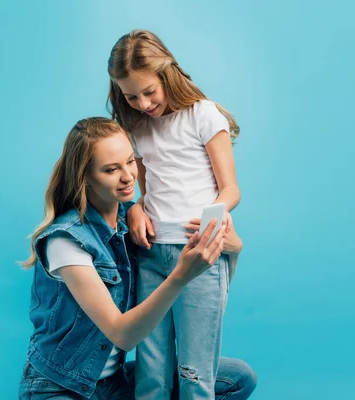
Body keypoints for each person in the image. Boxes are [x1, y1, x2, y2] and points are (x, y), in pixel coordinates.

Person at [18, 117, 255, 399]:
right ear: (85, 177)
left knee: (236, 378)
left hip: (113, 384)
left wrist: (234, 249)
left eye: (131, 161)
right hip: (62, 387)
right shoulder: (66, 240)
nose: (128, 176)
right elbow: (123, 335)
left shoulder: (134, 223)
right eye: (111, 169)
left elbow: (205, 295)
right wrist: (180, 275)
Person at [107, 29, 243, 399]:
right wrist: (134, 207)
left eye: (149, 91)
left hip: (197, 252)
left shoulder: (203, 114)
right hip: (149, 254)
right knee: (151, 370)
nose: (143, 102)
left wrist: (214, 214)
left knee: (195, 372)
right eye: (131, 96)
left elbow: (230, 188)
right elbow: (146, 190)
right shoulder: (135, 128)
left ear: (167, 74)